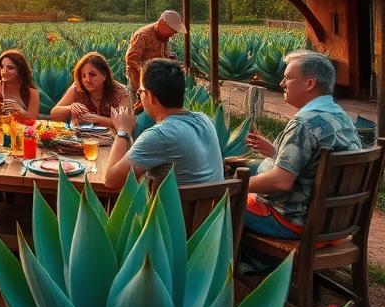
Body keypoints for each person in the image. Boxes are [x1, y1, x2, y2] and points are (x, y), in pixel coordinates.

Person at [243, 50, 361, 239]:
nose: (282, 84)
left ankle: (247, 264)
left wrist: (236, 185)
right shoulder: (341, 117)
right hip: (334, 223)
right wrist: (275, 152)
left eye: (288, 78)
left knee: (217, 202)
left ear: (310, 83)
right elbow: (315, 164)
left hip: (293, 221)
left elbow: (280, 182)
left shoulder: (304, 123)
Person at [105, 58, 223, 190]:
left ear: (150, 96)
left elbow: (111, 181)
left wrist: (122, 131)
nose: (140, 98)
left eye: (140, 92)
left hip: (173, 211)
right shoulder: (205, 120)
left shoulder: (160, 135)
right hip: (215, 209)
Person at [50, 52, 129, 131]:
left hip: (116, 140)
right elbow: (53, 114)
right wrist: (70, 108)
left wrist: (98, 119)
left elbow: (128, 123)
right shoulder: (77, 88)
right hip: (82, 140)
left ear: (105, 75)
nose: (87, 80)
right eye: (83, 76)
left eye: (92, 75)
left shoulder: (120, 92)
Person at [125, 9, 186, 97]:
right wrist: (146, 76)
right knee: (139, 110)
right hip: (139, 84)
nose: (172, 34)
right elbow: (131, 59)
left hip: (156, 83)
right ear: (162, 23)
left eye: (175, 32)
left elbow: (161, 54)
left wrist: (168, 59)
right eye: (172, 30)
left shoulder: (162, 36)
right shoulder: (142, 35)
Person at [0, 49, 40, 123]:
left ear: (21, 70)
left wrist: (19, 110)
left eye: (10, 68)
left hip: (19, 132)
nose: (4, 71)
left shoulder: (32, 93)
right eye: (2, 67)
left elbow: (33, 120)